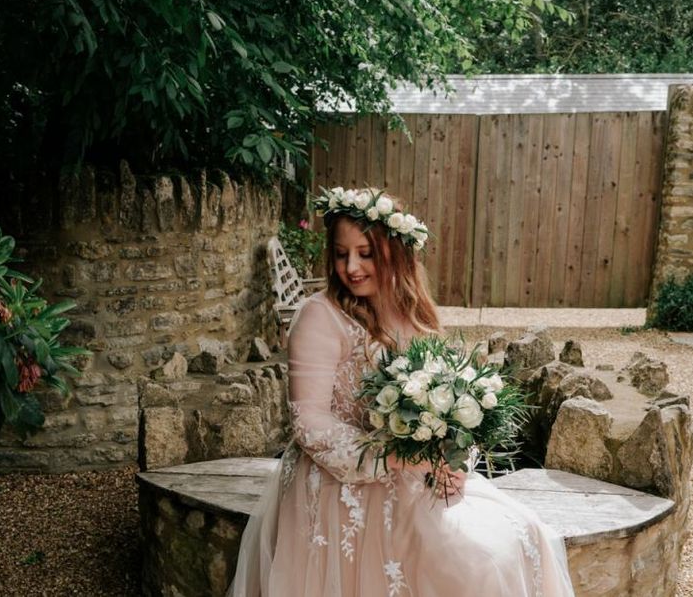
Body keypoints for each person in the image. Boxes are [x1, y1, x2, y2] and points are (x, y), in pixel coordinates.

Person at [228, 187, 575, 596]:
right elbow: (310, 423)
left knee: (525, 535)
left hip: (415, 475)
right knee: (476, 565)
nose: (351, 267)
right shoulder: (320, 317)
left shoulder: (416, 315)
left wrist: (456, 464)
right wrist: (393, 457)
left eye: (365, 253)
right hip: (340, 482)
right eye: (341, 254)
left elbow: (451, 403)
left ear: (394, 251)